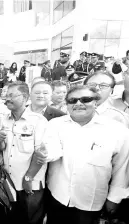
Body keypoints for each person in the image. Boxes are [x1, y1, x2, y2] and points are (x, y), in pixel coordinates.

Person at [43, 85, 129, 224]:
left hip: (90, 201)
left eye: (85, 99)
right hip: (57, 195)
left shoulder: (117, 131)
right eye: (72, 100)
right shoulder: (55, 124)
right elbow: (50, 152)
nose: (78, 103)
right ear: (67, 104)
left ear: (96, 102)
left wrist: (114, 198)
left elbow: (122, 168)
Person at [0, 81, 48, 224]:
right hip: (9, 182)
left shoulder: (38, 121)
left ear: (24, 97)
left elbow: (41, 154)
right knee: (13, 218)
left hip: (30, 185)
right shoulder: (3, 120)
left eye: (12, 95)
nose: (7, 99)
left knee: (30, 219)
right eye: (6, 95)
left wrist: (28, 178)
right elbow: (1, 148)